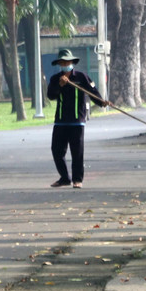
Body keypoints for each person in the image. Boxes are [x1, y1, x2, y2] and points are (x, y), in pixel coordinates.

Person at [46, 48, 107, 189]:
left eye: (67, 61)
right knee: (56, 150)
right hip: (60, 121)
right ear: (59, 64)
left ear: (72, 62)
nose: (65, 64)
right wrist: (59, 86)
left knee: (77, 152)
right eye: (62, 62)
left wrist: (102, 102)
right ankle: (64, 178)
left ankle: (77, 180)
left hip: (77, 121)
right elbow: (51, 95)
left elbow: (93, 92)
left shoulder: (81, 77)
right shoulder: (55, 79)